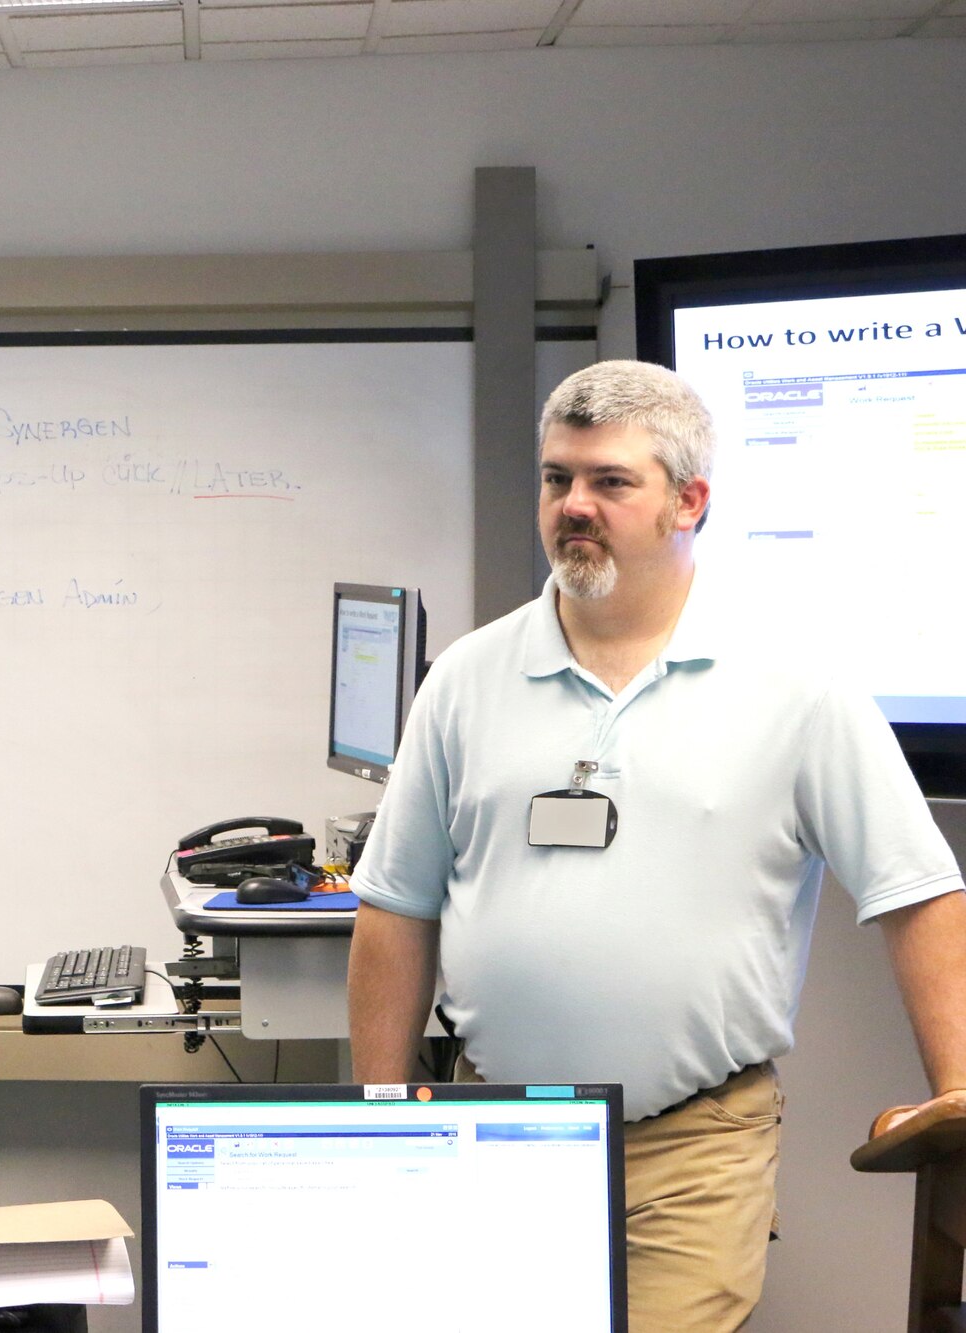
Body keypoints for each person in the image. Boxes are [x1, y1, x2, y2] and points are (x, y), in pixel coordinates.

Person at [346, 358, 966, 1332]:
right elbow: (394, 905)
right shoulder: (465, 678)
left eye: (608, 481)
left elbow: (916, 890)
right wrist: (379, 1119)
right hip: (492, 1129)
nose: (572, 506)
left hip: (690, 1141)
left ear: (689, 502)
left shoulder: (794, 684)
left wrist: (957, 1098)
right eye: (556, 479)